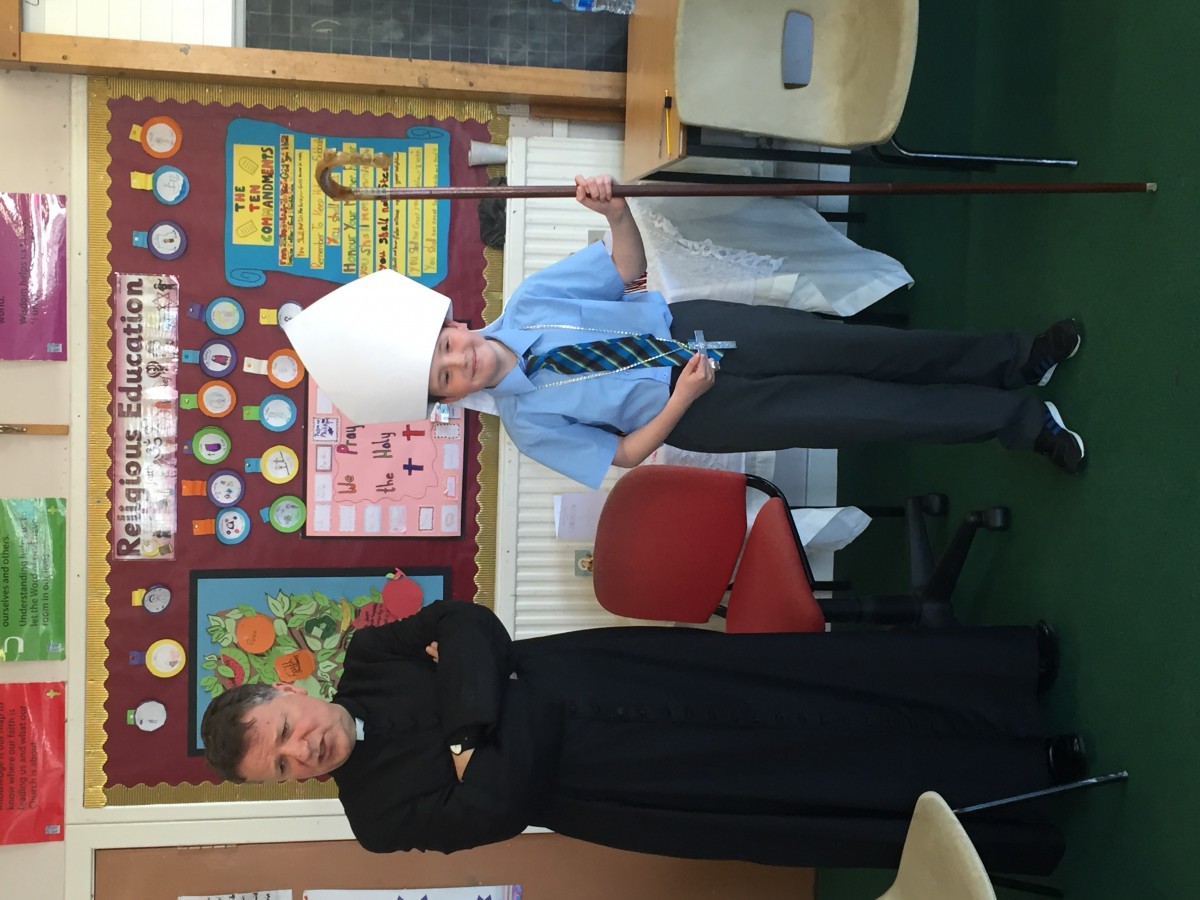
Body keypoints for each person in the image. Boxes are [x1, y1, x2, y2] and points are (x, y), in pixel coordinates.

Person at [283, 176, 1086, 490]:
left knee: (868, 351)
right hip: (705, 410)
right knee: (864, 411)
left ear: (453, 322)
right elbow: (626, 454)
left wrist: (616, 214)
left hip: (705, 328)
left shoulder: (530, 299)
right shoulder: (528, 425)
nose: (462, 360)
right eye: (447, 377)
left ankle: (1018, 358)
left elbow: (626, 273)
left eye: (447, 345)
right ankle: (1021, 423)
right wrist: (683, 401)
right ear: (450, 400)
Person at [201, 598, 1075, 874]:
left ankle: (1005, 673)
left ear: (290, 690)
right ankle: (1028, 773)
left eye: (285, 729)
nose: (301, 750)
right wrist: (499, 692)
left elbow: (467, 619)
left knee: (808, 682)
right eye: (281, 766)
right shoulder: (376, 819)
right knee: (808, 766)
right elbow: (494, 813)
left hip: (620, 671)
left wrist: (475, 735)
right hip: (626, 780)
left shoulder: (369, 656)